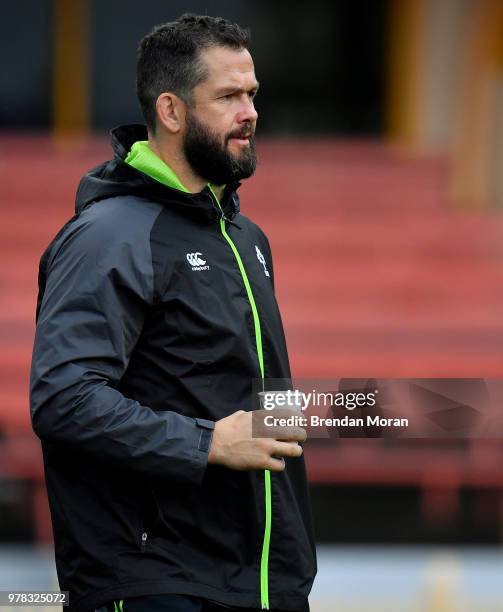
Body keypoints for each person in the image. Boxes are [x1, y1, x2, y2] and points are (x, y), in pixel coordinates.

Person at [30, 14, 316, 612]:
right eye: (228, 96)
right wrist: (207, 442)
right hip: (154, 579)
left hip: (262, 579)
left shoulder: (246, 236)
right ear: (171, 109)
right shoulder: (107, 235)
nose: (250, 112)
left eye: (253, 94)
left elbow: (236, 394)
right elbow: (63, 397)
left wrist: (356, 410)